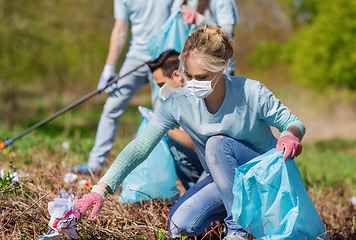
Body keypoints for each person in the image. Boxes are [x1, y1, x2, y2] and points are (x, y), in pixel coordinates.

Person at [73, 26, 305, 240]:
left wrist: (289, 134)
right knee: (179, 226)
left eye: (201, 77)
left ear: (222, 65)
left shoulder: (250, 92)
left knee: (216, 144)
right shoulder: (179, 103)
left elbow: (294, 123)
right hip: (225, 182)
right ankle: (248, 220)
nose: (193, 84)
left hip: (262, 178)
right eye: (189, 76)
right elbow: (141, 146)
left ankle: (238, 229)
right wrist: (101, 188)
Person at [68, 0, 176, 174]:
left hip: (166, 57)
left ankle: (163, 171)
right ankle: (94, 164)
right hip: (135, 57)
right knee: (111, 107)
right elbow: (120, 30)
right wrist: (109, 67)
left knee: (162, 115)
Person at [144, 49, 204, 190]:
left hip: (221, 164)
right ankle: (196, 191)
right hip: (207, 160)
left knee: (174, 144)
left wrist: (163, 128)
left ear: (177, 75)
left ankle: (198, 192)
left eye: (161, 84)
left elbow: (197, 142)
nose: (160, 91)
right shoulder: (181, 100)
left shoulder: (198, 96)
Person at [172, 0, 239, 75]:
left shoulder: (222, 1)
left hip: (216, 71)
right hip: (187, 70)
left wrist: (199, 19)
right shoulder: (178, 2)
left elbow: (228, 35)